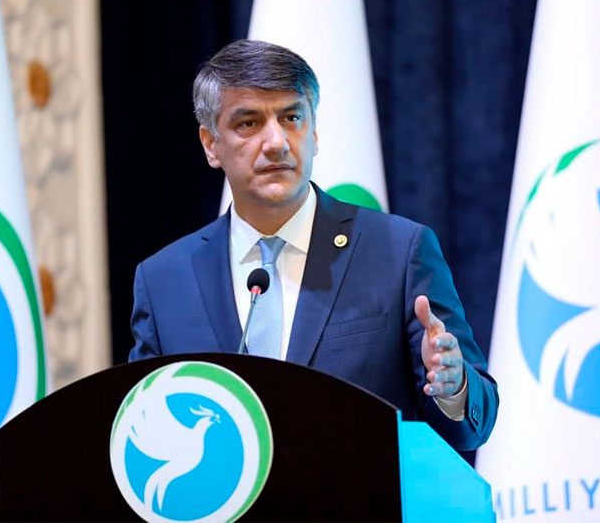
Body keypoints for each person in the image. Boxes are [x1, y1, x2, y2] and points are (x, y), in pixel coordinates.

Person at [128, 39, 497, 451]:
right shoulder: (164, 281)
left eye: (291, 118)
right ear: (211, 144)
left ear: (314, 132)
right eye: (248, 123)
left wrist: (452, 385)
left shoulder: (398, 252)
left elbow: (474, 427)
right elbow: (144, 429)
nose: (276, 142)